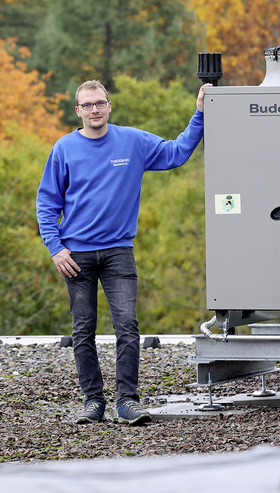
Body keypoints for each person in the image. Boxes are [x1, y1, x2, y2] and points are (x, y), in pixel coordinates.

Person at [36, 80, 208, 425]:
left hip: (118, 252)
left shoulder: (132, 141)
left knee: (128, 326)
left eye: (100, 103)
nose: (95, 110)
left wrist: (200, 114)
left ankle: (127, 400)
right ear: (78, 111)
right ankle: (92, 402)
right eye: (87, 105)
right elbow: (46, 203)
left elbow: (177, 152)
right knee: (82, 330)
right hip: (76, 256)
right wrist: (55, 249)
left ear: (109, 106)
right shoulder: (64, 148)